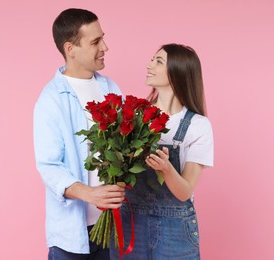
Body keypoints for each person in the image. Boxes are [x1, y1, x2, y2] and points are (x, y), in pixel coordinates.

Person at [33, 8, 125, 260]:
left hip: (111, 227)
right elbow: (49, 166)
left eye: (102, 38)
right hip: (71, 237)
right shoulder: (51, 99)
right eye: (95, 42)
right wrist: (90, 194)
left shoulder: (112, 88)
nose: (105, 47)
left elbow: (122, 147)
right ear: (70, 49)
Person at [110, 44, 214, 259]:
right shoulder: (133, 116)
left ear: (178, 71)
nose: (149, 65)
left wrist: (166, 169)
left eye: (159, 61)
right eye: (152, 59)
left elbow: (184, 192)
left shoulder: (197, 125)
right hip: (131, 222)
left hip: (174, 228)